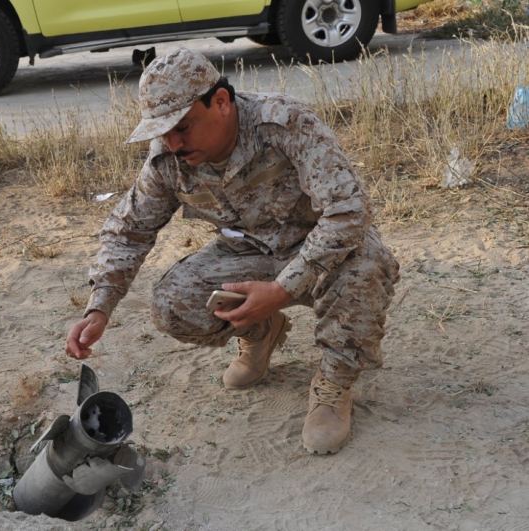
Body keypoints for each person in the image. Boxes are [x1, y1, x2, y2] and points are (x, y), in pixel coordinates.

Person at [64, 49, 400, 455]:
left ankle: (334, 385)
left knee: (367, 267)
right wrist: (99, 307)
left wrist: (281, 289)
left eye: (182, 127)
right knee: (172, 303)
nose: (172, 142)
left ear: (221, 103)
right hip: (249, 254)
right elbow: (129, 229)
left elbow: (348, 212)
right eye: (162, 131)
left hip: (322, 252)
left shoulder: (284, 122)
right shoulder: (169, 158)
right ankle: (260, 331)